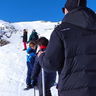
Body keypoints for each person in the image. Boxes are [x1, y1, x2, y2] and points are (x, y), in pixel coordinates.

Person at [38, 0, 96, 96]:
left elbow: (50, 64)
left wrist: (41, 56)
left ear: (67, 10)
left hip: (71, 90)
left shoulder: (61, 30)